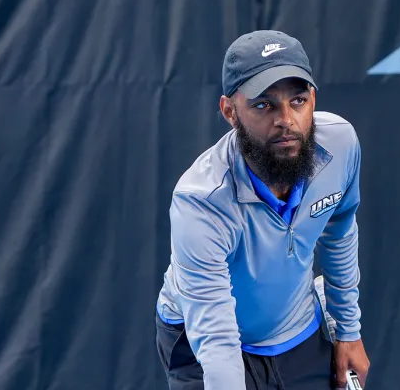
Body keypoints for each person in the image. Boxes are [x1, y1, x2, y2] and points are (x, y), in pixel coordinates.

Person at [154, 30, 370, 389]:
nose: (285, 119)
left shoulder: (341, 144)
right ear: (229, 111)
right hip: (204, 342)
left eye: (297, 101)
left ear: (313, 100)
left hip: (296, 328)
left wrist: (349, 330)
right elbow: (216, 335)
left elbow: (341, 228)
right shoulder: (201, 201)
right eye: (263, 105)